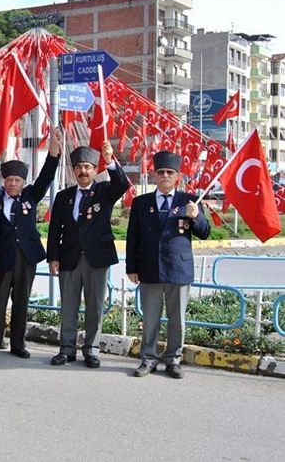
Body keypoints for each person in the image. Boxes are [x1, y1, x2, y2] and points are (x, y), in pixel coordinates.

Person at [126, 151, 211, 379]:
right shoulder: (141, 202)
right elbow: (133, 236)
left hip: (178, 270)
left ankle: (173, 359)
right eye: (161, 172)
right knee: (150, 318)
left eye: (169, 172)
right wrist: (131, 267)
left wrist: (196, 217)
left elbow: (205, 233)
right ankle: (149, 358)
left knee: (177, 320)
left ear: (178, 177)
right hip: (150, 268)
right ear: (154, 175)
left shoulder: (189, 201)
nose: (164, 175)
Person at [47, 143, 128, 369]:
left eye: (88, 167)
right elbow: (55, 229)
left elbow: (122, 184)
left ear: (95, 170)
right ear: (73, 171)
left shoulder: (104, 191)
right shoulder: (64, 197)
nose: (83, 171)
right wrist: (53, 257)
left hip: (97, 258)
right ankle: (67, 349)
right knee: (69, 306)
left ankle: (91, 350)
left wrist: (110, 160)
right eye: (79, 167)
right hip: (69, 258)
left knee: (95, 307)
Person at [0, 128, 61, 359]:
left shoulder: (31, 195)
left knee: (21, 301)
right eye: (9, 180)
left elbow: (47, 175)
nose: (13, 184)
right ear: (3, 181)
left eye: (17, 180)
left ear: (23, 182)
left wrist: (54, 151)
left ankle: (18, 343)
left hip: (26, 257)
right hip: (1, 257)